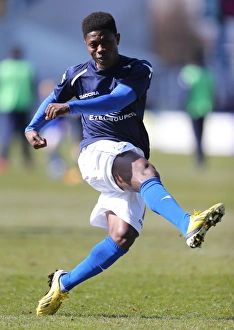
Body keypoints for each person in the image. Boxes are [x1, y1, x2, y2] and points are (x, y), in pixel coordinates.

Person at [25, 12, 225, 316]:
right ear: (86, 45)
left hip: (125, 154)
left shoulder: (138, 69)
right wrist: (31, 128)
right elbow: (52, 98)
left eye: (105, 42)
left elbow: (116, 100)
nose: (100, 49)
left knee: (121, 237)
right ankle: (188, 223)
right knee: (145, 171)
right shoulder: (76, 75)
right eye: (93, 45)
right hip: (95, 153)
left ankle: (62, 284)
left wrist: (72, 106)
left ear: (117, 39)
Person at [0, 46, 36, 173]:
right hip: (10, 104)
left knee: (22, 133)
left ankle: (26, 159)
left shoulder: (7, 67)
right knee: (8, 133)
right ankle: (5, 159)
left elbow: (32, 86)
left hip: (17, 104)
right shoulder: (24, 67)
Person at [179, 48, 215, 166]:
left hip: (193, 106)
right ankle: (201, 157)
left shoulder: (189, 71)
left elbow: (185, 90)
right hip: (205, 106)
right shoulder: (206, 72)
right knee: (202, 133)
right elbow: (212, 90)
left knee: (196, 133)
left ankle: (198, 157)